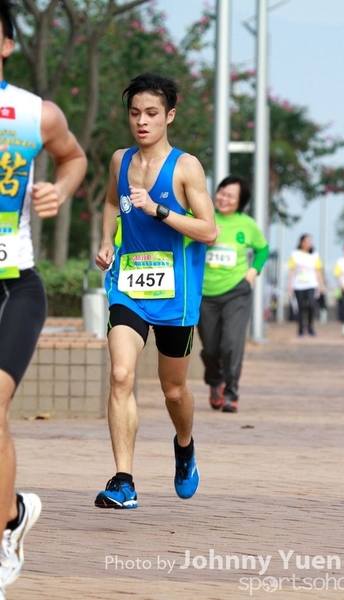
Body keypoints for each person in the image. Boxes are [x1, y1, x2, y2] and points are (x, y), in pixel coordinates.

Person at [94, 73, 216, 509]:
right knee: (121, 375)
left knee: (173, 391)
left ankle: (184, 445)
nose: (141, 122)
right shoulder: (120, 160)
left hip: (176, 296)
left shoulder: (186, 167)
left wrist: (159, 210)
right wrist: (107, 241)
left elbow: (209, 231)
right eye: (135, 114)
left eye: (151, 113)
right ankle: (123, 481)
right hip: (128, 286)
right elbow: (112, 202)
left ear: (169, 116)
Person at [0, 2, 87, 596]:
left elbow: (74, 156)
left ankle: (1, 538)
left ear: (7, 44)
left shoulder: (35, 113)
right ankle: (12, 511)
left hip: (13, 285)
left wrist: (60, 187)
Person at [197, 175, 269, 414]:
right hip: (205, 292)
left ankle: (231, 394)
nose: (223, 199)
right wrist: (205, 238)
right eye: (221, 193)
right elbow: (185, 243)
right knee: (210, 348)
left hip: (236, 291)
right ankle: (215, 381)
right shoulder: (203, 218)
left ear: (241, 201)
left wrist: (253, 272)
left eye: (230, 196)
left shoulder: (247, 225)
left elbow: (262, 249)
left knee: (231, 344)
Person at [287, 234, 324, 337]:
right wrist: (290, 284)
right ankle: (300, 328)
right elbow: (292, 270)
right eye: (307, 241)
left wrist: (321, 285)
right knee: (300, 307)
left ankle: (310, 325)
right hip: (298, 285)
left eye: (310, 242)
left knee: (312, 305)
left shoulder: (315, 255)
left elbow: (318, 271)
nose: (309, 244)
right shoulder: (294, 255)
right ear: (301, 242)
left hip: (311, 284)